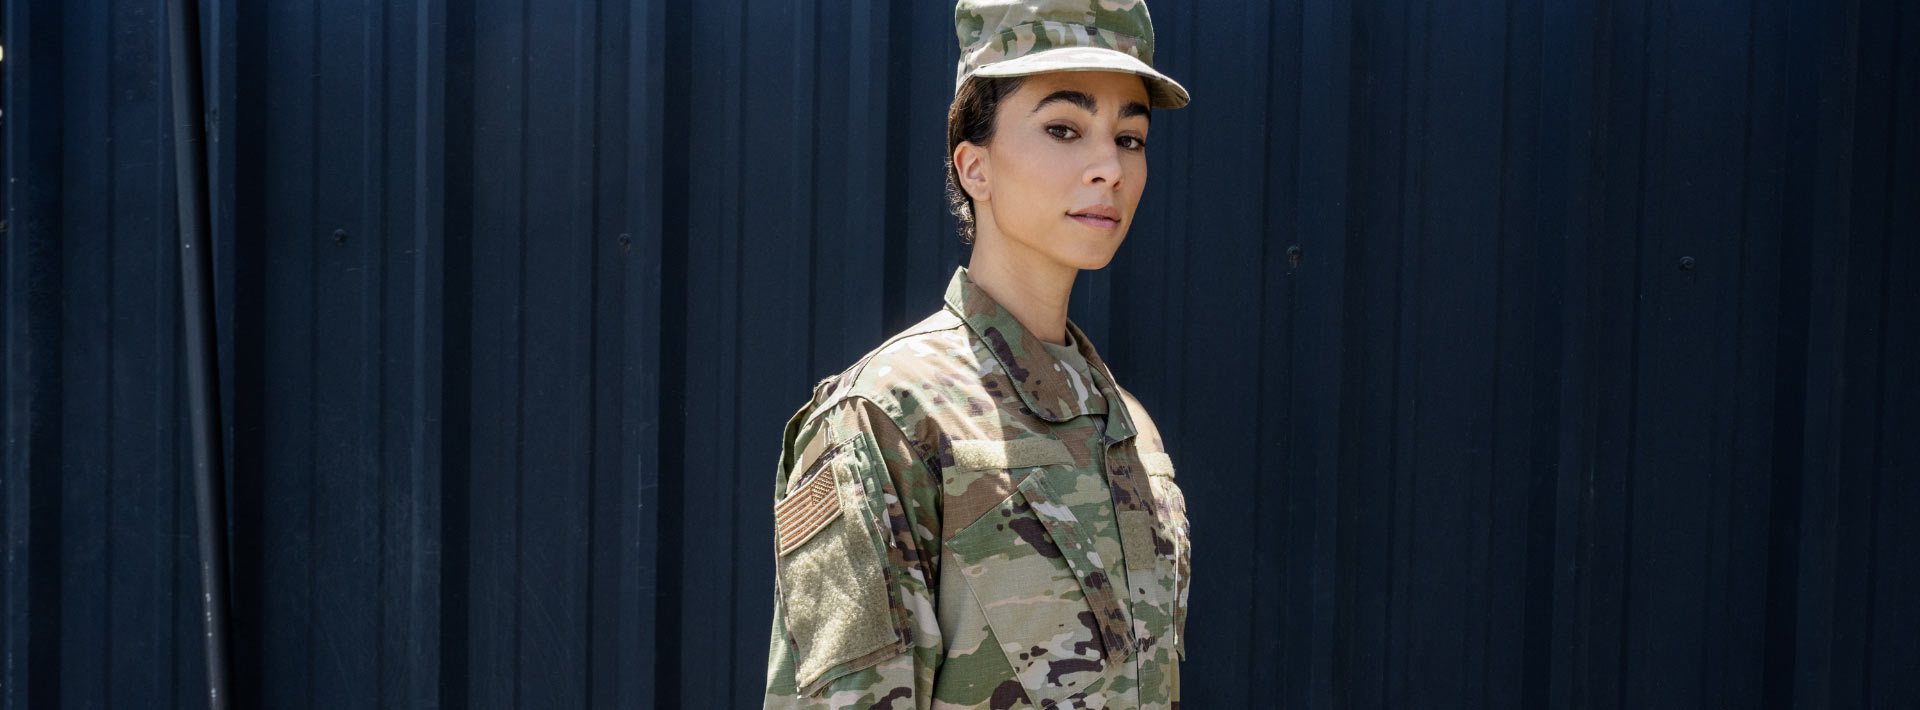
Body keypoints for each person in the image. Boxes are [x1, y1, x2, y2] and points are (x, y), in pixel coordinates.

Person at [763, 1, 1191, 707]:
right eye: (1063, 128)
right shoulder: (886, 415)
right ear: (975, 166)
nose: (1108, 167)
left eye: (1131, 138)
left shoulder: (1127, 428)